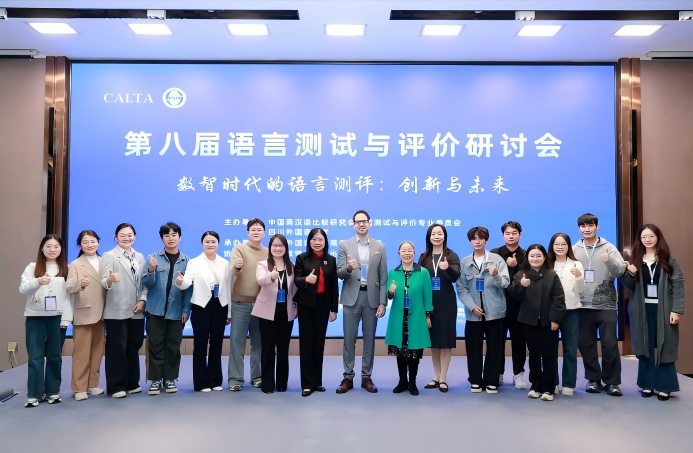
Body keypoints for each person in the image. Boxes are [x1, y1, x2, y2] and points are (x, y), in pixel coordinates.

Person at [625, 224, 685, 401]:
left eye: (651, 236)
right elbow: (629, 286)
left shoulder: (669, 259)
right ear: (640, 239)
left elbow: (678, 286)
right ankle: (647, 384)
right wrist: (630, 274)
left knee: (666, 347)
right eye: (643, 237)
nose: (647, 239)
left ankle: (665, 386)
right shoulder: (636, 259)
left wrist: (677, 310)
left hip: (664, 309)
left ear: (658, 237)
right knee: (645, 347)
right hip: (642, 310)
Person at [572, 213, 627, 396]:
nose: (587, 229)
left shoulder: (609, 247)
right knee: (586, 344)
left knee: (610, 344)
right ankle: (593, 379)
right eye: (583, 226)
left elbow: (620, 271)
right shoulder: (574, 249)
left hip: (606, 304)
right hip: (582, 304)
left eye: (590, 225)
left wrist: (608, 260)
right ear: (579, 228)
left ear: (597, 226)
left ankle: (612, 382)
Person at [336, 210, 388, 394]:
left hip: (371, 298)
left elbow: (383, 277)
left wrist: (382, 302)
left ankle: (366, 376)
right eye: (358, 222)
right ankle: (348, 377)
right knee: (349, 339)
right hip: (352, 297)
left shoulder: (380, 246)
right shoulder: (345, 244)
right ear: (353, 224)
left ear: (369, 223)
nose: (361, 224)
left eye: (364, 221)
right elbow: (339, 273)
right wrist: (348, 268)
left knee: (369, 339)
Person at [508, 244, 566, 401]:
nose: (535, 259)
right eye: (532, 256)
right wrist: (521, 286)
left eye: (538, 255)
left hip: (548, 322)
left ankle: (548, 388)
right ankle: (535, 386)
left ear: (544, 257)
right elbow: (512, 294)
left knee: (548, 355)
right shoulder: (521, 274)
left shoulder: (552, 275)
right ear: (527, 258)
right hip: (529, 321)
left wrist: (555, 319)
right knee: (533, 354)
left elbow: (558, 299)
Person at [456, 227, 509, 394]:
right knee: (473, 349)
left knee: (495, 348)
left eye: (481, 238)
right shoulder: (465, 262)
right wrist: (472, 306)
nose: (477, 241)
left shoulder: (496, 259)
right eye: (474, 238)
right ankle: (475, 380)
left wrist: (496, 274)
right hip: (473, 315)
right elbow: (461, 288)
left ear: (486, 240)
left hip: (495, 313)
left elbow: (505, 283)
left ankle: (492, 380)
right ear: (470, 241)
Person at [19, 234, 70, 407]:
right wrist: (38, 281)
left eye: (56, 246)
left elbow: (70, 297)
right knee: (35, 357)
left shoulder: (67, 268)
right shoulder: (32, 267)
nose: (52, 249)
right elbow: (23, 289)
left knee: (55, 356)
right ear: (42, 248)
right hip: (35, 317)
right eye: (48, 246)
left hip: (57, 318)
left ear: (61, 249)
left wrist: (67, 318)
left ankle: (53, 392)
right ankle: (34, 394)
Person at [141, 222, 192, 395]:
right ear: (162, 238)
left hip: (177, 312)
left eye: (174, 235)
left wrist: (186, 310)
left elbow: (188, 289)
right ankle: (155, 380)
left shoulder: (186, 261)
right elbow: (146, 283)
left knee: (173, 347)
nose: (171, 238)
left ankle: (169, 378)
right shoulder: (153, 258)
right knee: (155, 346)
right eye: (167, 235)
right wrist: (151, 269)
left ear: (179, 237)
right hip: (155, 310)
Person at [177, 231, 230, 392]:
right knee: (200, 344)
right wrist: (180, 282)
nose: (210, 244)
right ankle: (201, 382)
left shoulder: (224, 262)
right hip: (201, 306)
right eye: (207, 241)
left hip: (220, 305)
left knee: (217, 343)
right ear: (202, 244)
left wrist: (229, 313)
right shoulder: (194, 262)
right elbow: (187, 282)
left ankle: (215, 380)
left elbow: (228, 287)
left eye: (213, 241)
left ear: (218, 244)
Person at [101, 223, 147, 398]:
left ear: (135, 236)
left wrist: (143, 300)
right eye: (122, 235)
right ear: (115, 237)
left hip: (137, 309)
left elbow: (144, 282)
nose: (126, 238)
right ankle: (116, 386)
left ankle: (132, 383)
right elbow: (103, 281)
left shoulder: (139, 256)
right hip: (117, 309)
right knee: (117, 347)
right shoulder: (109, 255)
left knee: (134, 345)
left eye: (129, 235)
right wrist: (110, 280)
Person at [294, 228, 339, 397]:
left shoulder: (331, 260)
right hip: (305, 305)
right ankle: (307, 384)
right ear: (309, 241)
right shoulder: (302, 258)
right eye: (314, 239)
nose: (317, 242)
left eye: (320, 239)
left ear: (325, 242)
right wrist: (306, 279)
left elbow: (334, 287)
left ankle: (317, 382)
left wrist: (334, 309)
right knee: (306, 343)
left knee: (319, 343)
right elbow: (296, 280)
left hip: (323, 305)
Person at [63, 230, 107, 401]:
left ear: (98, 242)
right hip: (84, 312)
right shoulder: (76, 264)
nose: (90, 245)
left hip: (102, 312)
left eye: (93, 241)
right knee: (81, 352)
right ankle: (79, 387)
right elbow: (69, 287)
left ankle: (92, 384)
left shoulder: (104, 261)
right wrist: (79, 284)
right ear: (79, 245)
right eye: (85, 242)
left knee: (97, 351)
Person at [252, 234, 298, 394]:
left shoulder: (291, 265)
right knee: (268, 348)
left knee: (284, 348)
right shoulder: (263, 264)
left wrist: (297, 306)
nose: (278, 248)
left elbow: (294, 289)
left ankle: (282, 383)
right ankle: (267, 383)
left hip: (286, 312)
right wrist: (270, 276)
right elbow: (260, 280)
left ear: (286, 248)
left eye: (281, 245)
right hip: (267, 313)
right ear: (270, 248)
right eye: (274, 245)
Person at [386, 241, 433, 396]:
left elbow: (428, 295)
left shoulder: (423, 272)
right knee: (400, 351)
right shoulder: (393, 272)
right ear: (399, 254)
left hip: (416, 316)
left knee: (414, 352)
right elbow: (389, 295)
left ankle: (412, 382)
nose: (407, 253)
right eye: (404, 250)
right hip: (399, 317)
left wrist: (428, 315)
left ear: (414, 252)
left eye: (409, 250)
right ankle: (402, 381)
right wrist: (390, 291)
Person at [418, 224, 460, 393]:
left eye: (439, 233)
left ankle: (443, 378)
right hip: (429, 303)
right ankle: (436, 376)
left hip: (447, 302)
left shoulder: (451, 255)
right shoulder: (424, 257)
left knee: (445, 342)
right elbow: (419, 281)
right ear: (429, 237)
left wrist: (447, 267)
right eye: (433, 234)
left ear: (444, 236)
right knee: (434, 342)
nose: (436, 236)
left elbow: (456, 277)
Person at [228, 218, 267, 391]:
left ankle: (257, 377)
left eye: (259, 229)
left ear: (264, 232)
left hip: (261, 304)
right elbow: (232, 271)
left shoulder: (268, 252)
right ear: (248, 232)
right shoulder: (239, 249)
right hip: (240, 303)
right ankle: (235, 379)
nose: (256, 232)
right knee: (237, 342)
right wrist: (237, 267)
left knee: (258, 343)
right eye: (253, 229)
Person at [491, 221, 527, 389]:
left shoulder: (526, 254)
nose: (511, 236)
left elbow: (528, 277)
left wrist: (516, 265)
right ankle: (497, 373)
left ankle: (518, 374)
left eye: (514, 233)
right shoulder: (495, 253)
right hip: (498, 303)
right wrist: (506, 265)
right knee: (497, 341)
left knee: (519, 341)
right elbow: (490, 275)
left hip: (519, 306)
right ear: (503, 235)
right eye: (507, 233)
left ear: (520, 235)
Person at [547, 232, 585, 396]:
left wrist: (579, 277)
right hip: (551, 312)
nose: (560, 247)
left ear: (568, 246)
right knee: (550, 350)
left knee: (570, 348)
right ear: (552, 246)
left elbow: (580, 290)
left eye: (563, 244)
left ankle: (569, 384)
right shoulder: (547, 264)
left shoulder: (576, 264)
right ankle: (552, 383)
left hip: (571, 311)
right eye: (557, 244)